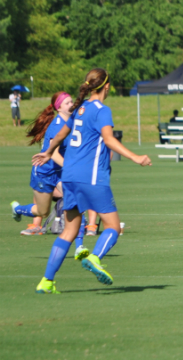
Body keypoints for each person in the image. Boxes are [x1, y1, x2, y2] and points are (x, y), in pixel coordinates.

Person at [31, 68, 152, 294]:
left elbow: (61, 134)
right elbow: (108, 140)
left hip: (69, 177)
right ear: (106, 86)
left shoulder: (80, 108)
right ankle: (95, 257)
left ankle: (46, 281)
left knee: (69, 230)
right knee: (113, 226)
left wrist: (48, 152)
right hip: (92, 177)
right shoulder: (102, 110)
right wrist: (136, 157)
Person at [11, 91, 91, 258]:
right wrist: (70, 167)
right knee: (42, 212)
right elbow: (52, 154)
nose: (71, 104)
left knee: (77, 200)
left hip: (60, 173)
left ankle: (80, 246)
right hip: (44, 172)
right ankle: (18, 209)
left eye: (72, 102)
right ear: (59, 107)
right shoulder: (56, 126)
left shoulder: (72, 122)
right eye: (68, 103)